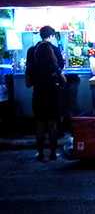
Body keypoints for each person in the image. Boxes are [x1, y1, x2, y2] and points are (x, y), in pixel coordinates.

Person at [25, 26, 65, 161]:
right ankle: (53, 153)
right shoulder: (54, 49)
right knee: (53, 123)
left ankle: (40, 153)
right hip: (53, 90)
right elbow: (60, 66)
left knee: (40, 123)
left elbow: (29, 69)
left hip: (38, 91)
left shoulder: (31, 50)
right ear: (52, 36)